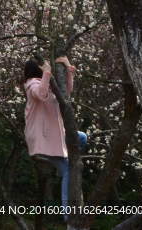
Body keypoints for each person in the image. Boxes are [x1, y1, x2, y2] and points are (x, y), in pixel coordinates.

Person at [22, 55, 87, 211]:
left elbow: (66, 92)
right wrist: (47, 73)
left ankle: (69, 160)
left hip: (54, 137)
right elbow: (41, 94)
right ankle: (68, 212)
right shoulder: (31, 85)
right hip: (43, 138)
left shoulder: (47, 86)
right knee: (67, 172)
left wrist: (68, 68)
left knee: (82, 137)